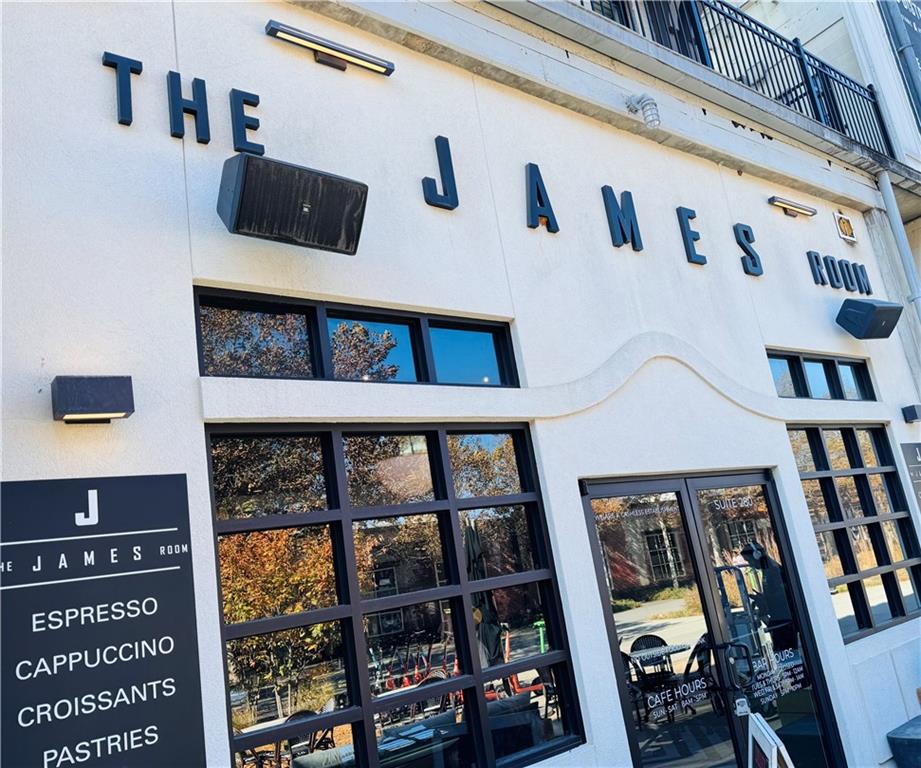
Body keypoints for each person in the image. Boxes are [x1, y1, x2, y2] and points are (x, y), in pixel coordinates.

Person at [740, 541, 797, 652]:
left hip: (784, 621)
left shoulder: (773, 571)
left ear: (757, 555)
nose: (750, 564)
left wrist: (763, 600)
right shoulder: (768, 570)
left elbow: (782, 597)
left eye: (749, 560)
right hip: (781, 619)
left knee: (786, 653)